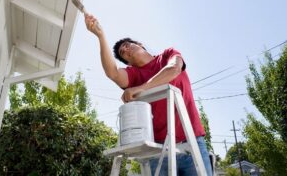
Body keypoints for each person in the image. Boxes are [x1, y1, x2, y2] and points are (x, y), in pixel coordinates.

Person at [84, 14, 213, 176]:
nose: (125, 49)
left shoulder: (167, 56)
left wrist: (143, 88)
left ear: (140, 44)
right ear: (128, 63)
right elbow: (113, 73)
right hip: (158, 151)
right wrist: (100, 35)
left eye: (126, 45)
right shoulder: (134, 75)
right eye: (123, 53)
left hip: (191, 144)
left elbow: (174, 68)